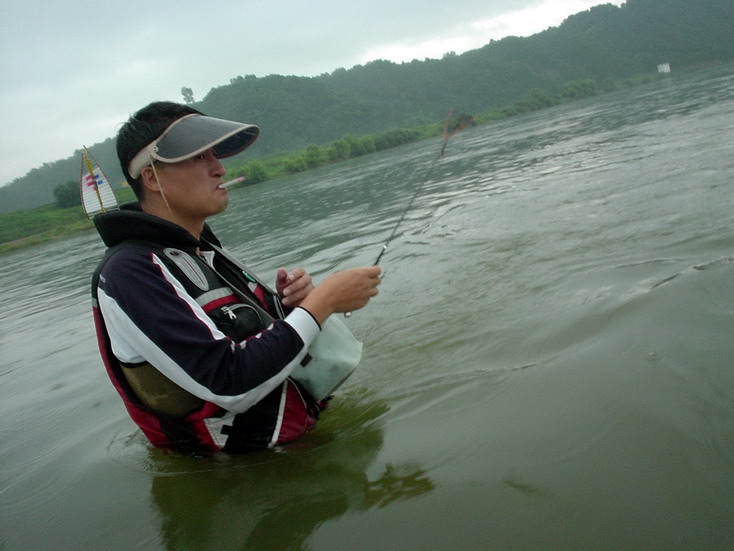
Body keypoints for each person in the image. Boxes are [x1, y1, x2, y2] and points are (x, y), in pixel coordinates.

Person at [91, 101, 381, 455]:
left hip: (300, 447)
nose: (218, 168)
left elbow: (262, 341)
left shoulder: (203, 250)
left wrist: (292, 304)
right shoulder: (129, 273)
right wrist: (322, 304)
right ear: (151, 177)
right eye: (198, 157)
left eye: (215, 155)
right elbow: (230, 382)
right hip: (243, 479)